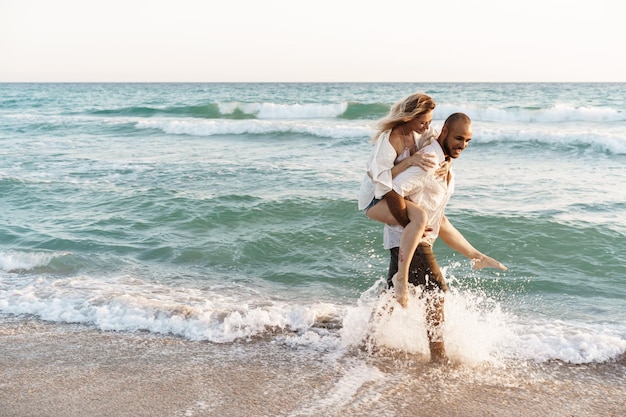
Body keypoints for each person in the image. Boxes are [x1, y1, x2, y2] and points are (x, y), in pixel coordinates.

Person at [384, 112, 507, 362]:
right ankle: (439, 357)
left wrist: (474, 253)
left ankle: (365, 342)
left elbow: (440, 220)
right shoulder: (431, 159)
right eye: (458, 137)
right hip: (411, 239)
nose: (462, 144)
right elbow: (393, 188)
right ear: (444, 132)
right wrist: (410, 224)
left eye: (468, 140)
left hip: (407, 239)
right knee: (436, 293)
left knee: (389, 295)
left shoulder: (445, 165)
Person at [358, 92, 447, 308]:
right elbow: (380, 180)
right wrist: (409, 162)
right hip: (374, 200)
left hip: (394, 197)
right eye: (423, 122)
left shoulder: (419, 133)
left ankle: (372, 332)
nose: (427, 127)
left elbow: (441, 143)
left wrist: (445, 165)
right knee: (419, 218)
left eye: (430, 121)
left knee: (427, 220)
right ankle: (402, 278)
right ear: (409, 117)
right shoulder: (390, 138)